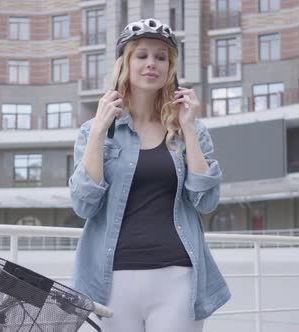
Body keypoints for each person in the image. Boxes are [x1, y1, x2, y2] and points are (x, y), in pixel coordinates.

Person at [69, 18, 231, 332]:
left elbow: (206, 201)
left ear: (170, 67)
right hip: (111, 280)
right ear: (125, 64)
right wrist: (99, 131)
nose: (151, 64)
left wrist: (188, 128)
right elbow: (83, 205)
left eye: (161, 57)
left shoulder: (190, 129)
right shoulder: (95, 131)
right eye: (141, 55)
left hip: (178, 277)